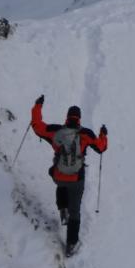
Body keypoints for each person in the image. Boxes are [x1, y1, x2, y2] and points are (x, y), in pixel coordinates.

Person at [31, 95, 108, 256]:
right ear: (79, 119)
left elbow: (37, 126)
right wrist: (103, 135)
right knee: (76, 211)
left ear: (67, 117)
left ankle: (62, 209)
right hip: (76, 178)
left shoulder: (56, 132)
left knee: (59, 181)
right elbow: (101, 148)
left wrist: (37, 106)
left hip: (59, 176)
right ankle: (71, 244)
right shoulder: (86, 134)